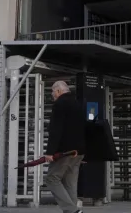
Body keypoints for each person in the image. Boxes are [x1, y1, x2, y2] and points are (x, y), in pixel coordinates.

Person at [44, 80, 86, 213]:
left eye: (52, 91)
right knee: (70, 182)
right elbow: (85, 128)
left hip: (65, 151)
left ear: (58, 91)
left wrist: (50, 152)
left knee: (51, 178)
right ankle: (73, 211)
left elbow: (56, 129)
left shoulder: (60, 104)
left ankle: (72, 210)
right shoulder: (78, 103)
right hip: (79, 151)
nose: (52, 95)